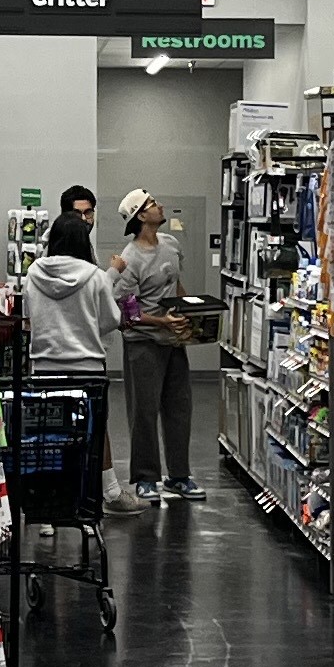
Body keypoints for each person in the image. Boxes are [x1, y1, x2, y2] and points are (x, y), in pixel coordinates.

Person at [16, 210, 126, 511]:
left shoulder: (33, 273)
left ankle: (46, 509)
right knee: (91, 435)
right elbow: (111, 320)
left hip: (45, 368)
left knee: (46, 437)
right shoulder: (95, 277)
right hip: (86, 369)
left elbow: (28, 317)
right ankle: (91, 502)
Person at [111, 187, 196, 504]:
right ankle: (146, 478)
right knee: (144, 412)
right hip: (143, 344)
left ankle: (179, 476)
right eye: (151, 204)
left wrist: (186, 313)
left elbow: (176, 285)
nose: (159, 205)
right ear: (140, 216)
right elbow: (128, 313)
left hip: (172, 341)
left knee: (179, 408)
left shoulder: (171, 244)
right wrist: (162, 322)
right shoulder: (130, 259)